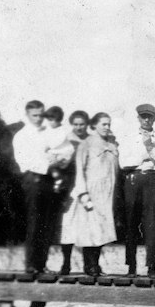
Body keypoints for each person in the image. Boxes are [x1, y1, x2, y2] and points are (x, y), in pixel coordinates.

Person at [118, 103, 155, 277]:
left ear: (154, 119)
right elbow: (124, 162)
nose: (146, 119)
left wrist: (150, 148)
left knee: (152, 224)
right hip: (134, 178)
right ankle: (131, 266)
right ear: (138, 118)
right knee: (131, 223)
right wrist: (144, 155)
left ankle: (151, 267)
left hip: (153, 181)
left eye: (150, 117)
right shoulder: (129, 137)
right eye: (143, 116)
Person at [12, 100, 61, 274]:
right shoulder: (22, 135)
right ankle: (31, 264)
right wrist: (47, 163)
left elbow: (56, 150)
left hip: (48, 180)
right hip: (33, 180)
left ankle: (42, 264)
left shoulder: (47, 133)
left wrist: (55, 158)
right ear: (27, 115)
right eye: (35, 115)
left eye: (41, 115)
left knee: (47, 224)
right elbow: (23, 162)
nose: (39, 119)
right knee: (35, 222)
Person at [71, 113, 120, 277]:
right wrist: (83, 193)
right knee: (90, 229)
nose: (107, 127)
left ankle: (95, 265)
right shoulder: (86, 143)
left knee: (102, 230)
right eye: (104, 124)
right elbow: (79, 170)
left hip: (107, 193)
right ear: (95, 125)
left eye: (109, 124)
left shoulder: (111, 143)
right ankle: (89, 265)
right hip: (91, 192)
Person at [56, 110, 90, 275]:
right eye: (75, 124)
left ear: (87, 124)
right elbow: (58, 165)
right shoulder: (66, 141)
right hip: (70, 187)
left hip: (87, 188)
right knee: (68, 225)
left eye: (81, 124)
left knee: (87, 226)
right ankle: (66, 264)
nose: (78, 127)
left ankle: (88, 265)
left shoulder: (92, 140)